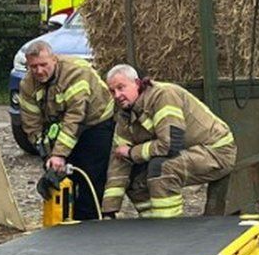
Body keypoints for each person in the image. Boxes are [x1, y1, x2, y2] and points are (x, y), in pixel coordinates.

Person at [101, 64, 236, 219]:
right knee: (134, 177)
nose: (117, 95)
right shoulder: (125, 115)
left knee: (162, 168)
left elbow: (171, 145)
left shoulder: (163, 95)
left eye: (121, 87)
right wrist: (109, 211)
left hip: (216, 151)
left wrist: (132, 152)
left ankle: (170, 229)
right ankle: (151, 221)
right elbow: (118, 162)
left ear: (137, 83)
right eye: (112, 91)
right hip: (187, 152)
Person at [17, 40, 114, 220]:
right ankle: (63, 219)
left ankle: (90, 221)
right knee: (59, 174)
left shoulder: (76, 73)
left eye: (43, 65)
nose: (39, 71)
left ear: (54, 60)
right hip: (63, 124)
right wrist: (47, 155)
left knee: (90, 174)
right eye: (33, 67)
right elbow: (32, 124)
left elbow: (76, 116)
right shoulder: (27, 84)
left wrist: (59, 154)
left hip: (95, 122)